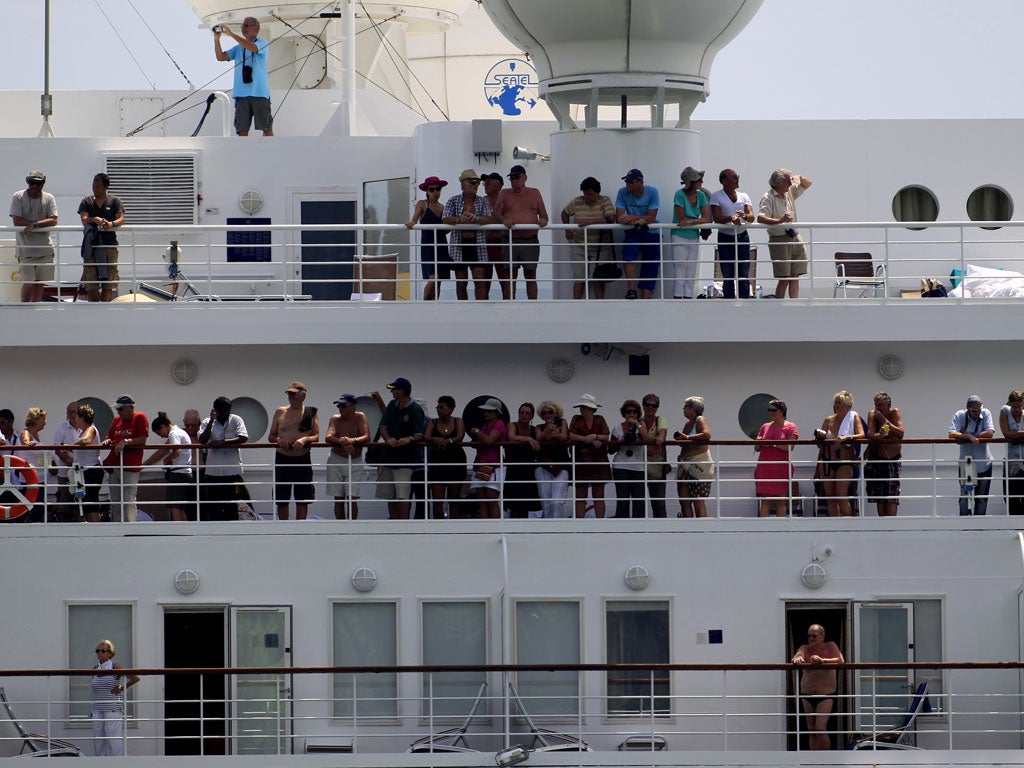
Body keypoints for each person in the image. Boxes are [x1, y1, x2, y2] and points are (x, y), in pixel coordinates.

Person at [493, 165, 549, 300]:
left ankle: (533, 305)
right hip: (510, 240)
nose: (513, 180)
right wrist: (504, 220)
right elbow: (496, 213)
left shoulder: (535, 193)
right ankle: (510, 305)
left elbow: (544, 216)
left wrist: (542, 220)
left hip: (530, 240)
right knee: (510, 275)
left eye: (516, 177)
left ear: (524, 178)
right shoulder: (504, 193)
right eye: (511, 178)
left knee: (530, 274)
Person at [757, 168, 812, 299]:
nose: (790, 184)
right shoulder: (768, 197)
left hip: (795, 236)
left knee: (795, 275)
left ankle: (795, 303)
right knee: (785, 277)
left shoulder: (789, 192)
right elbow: (760, 218)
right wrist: (780, 220)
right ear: (779, 183)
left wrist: (797, 177)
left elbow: (808, 183)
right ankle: (779, 305)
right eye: (788, 181)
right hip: (779, 239)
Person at [214, 17, 274, 136]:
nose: (243, 28)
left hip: (259, 93)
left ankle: (270, 153)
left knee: (266, 129)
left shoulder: (262, 43)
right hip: (241, 94)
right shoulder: (238, 48)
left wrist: (231, 34)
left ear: (256, 28)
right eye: (242, 26)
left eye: (246, 25)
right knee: (242, 130)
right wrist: (217, 40)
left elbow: (252, 47)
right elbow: (221, 57)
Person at [376, 377, 426, 519]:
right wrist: (388, 439)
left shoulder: (415, 408)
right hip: (388, 457)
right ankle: (394, 522)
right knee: (389, 494)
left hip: (404, 458)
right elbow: (383, 426)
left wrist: (408, 439)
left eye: (394, 389)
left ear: (402, 391)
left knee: (402, 494)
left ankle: (404, 523)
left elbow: (418, 434)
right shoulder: (392, 405)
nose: (392, 392)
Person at [268, 381, 319, 520]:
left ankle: (299, 528)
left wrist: (304, 440)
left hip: (302, 457)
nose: (291, 396)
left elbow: (316, 436)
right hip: (283, 458)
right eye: (289, 393)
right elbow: (271, 436)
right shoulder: (280, 411)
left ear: (303, 396)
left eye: (294, 394)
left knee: (303, 496)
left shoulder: (310, 412)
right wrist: (280, 440)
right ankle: (284, 528)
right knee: (281, 496)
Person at [442, 170, 494, 301]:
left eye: (477, 183)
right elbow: (445, 219)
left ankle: (481, 310)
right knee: (461, 281)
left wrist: (476, 219)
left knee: (479, 279)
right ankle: (463, 310)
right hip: (459, 245)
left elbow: (489, 219)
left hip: (477, 245)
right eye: (472, 182)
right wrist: (459, 220)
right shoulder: (453, 200)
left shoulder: (482, 202)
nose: (476, 185)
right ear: (463, 184)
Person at [561, 177, 616, 299]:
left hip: (601, 246)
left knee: (599, 278)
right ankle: (577, 306)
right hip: (579, 245)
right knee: (579, 278)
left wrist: (591, 221)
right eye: (585, 194)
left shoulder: (604, 201)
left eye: (589, 194)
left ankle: (599, 306)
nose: (586, 196)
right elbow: (564, 213)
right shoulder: (577, 201)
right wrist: (567, 230)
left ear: (597, 193)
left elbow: (611, 218)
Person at [791, 624, 844, 751]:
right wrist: (797, 658)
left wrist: (823, 660)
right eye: (809, 636)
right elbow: (797, 656)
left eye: (814, 635)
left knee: (820, 728)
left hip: (825, 695)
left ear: (822, 636)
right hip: (807, 694)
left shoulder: (830, 646)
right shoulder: (805, 648)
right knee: (811, 730)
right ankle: (813, 757)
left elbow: (840, 660)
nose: (811, 638)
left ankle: (825, 757)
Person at [198, 396, 250, 521]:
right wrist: (211, 421)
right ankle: (215, 532)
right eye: (222, 411)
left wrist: (222, 442)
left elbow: (243, 437)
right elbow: (202, 440)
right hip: (213, 471)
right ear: (215, 410)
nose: (226, 414)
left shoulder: (236, 420)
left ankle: (232, 531)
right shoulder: (206, 422)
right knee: (213, 503)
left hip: (232, 470)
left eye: (227, 411)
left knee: (232, 503)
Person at [9, 170, 58, 303]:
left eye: (38, 183)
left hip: (45, 249)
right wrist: (34, 224)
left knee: (40, 282)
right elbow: (16, 220)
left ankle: (34, 307)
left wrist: (33, 225)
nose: (35, 186)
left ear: (43, 183)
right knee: (28, 281)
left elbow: (54, 220)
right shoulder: (18, 196)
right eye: (32, 183)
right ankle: (25, 308)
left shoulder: (49, 198)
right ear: (27, 182)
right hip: (26, 250)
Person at [407, 176, 459, 300]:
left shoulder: (443, 207)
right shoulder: (422, 204)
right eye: (432, 189)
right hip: (428, 246)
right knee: (433, 278)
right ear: (427, 191)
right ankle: (425, 304)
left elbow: (445, 229)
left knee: (438, 280)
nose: (435, 192)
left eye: (438, 189)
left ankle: (435, 305)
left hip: (441, 245)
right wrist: (411, 223)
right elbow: (414, 219)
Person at [815, 391, 865, 517]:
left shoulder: (854, 417)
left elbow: (862, 435)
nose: (835, 405)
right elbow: (820, 445)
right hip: (827, 460)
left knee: (841, 496)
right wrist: (820, 437)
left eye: (839, 403)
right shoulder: (828, 420)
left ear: (848, 405)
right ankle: (835, 528)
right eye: (835, 402)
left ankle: (848, 527)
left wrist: (846, 437)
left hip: (844, 462)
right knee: (830, 498)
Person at [100, 394, 149, 522]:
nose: (118, 412)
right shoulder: (117, 420)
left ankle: (130, 528)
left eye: (121, 409)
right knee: (115, 501)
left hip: (130, 466)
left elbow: (143, 438)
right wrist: (107, 441)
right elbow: (109, 436)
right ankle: (117, 527)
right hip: (115, 465)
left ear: (130, 408)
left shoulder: (139, 417)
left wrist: (126, 441)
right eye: (117, 409)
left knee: (129, 500)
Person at [77, 173, 125, 302]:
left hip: (109, 245)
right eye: (93, 185)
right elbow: (84, 219)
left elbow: (121, 218)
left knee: (108, 282)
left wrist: (111, 224)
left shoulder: (115, 201)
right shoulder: (86, 201)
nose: (94, 188)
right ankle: (95, 309)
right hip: (91, 246)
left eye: (98, 186)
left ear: (105, 187)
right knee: (91, 282)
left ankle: (105, 310)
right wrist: (96, 220)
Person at [615, 169, 661, 299]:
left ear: (641, 182)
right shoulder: (622, 192)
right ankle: (631, 291)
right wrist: (639, 219)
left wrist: (630, 217)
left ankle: (645, 300)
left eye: (630, 181)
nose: (627, 184)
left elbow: (651, 218)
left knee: (651, 264)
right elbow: (619, 217)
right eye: (626, 181)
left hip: (651, 231)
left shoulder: (653, 191)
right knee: (629, 252)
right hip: (633, 230)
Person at [709, 168, 754, 299]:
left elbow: (751, 216)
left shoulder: (744, 196)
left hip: (742, 236)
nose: (737, 179)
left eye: (737, 176)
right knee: (727, 272)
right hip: (725, 237)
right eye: (734, 177)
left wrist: (744, 215)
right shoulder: (717, 195)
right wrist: (731, 218)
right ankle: (728, 301)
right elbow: (717, 217)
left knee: (744, 272)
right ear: (724, 181)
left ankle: (744, 301)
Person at [90, 639, 140, 757]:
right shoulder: (94, 669)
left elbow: (135, 678)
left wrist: (122, 688)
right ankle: (101, 764)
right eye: (98, 651)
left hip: (112, 708)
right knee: (98, 740)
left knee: (113, 739)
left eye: (103, 650)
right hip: (97, 709)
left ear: (110, 653)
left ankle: (116, 763)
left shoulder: (115, 666)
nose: (100, 653)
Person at [143, 413, 195, 521]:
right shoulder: (179, 432)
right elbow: (163, 450)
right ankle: (184, 530)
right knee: (180, 506)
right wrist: (144, 465)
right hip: (186, 473)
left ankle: (177, 530)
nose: (161, 436)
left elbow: (177, 451)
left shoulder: (173, 434)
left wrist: (167, 459)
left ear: (163, 426)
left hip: (178, 474)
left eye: (159, 433)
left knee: (174, 505)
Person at [325, 394, 369, 520]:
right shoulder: (335, 418)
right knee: (338, 498)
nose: (340, 408)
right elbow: (328, 437)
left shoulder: (360, 417)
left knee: (352, 497)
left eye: (343, 405)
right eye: (339, 406)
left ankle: (351, 527)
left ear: (353, 406)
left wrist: (352, 440)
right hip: (336, 459)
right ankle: (340, 527)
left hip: (354, 461)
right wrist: (344, 443)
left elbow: (366, 436)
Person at [949, 394, 994, 515]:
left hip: (984, 462)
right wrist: (969, 436)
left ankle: (979, 525)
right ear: (967, 408)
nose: (977, 413)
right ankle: (965, 524)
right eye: (974, 410)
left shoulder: (985, 413)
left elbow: (990, 432)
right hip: (967, 463)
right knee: (965, 495)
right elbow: (952, 433)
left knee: (982, 497)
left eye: (979, 410)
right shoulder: (960, 415)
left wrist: (974, 437)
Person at [423, 395, 467, 519]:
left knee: (454, 499)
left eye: (442, 407)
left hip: (455, 462)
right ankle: (439, 527)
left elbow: (460, 436)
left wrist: (449, 441)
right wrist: (434, 439)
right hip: (438, 462)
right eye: (438, 407)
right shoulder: (433, 422)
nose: (438, 410)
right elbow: (426, 436)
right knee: (437, 498)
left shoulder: (458, 421)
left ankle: (453, 528)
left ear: (451, 409)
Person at [670, 167, 711, 300]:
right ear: (691, 181)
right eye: (699, 179)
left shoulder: (701, 195)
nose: (702, 182)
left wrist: (691, 222)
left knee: (691, 269)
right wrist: (697, 221)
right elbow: (681, 219)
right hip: (679, 235)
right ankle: (678, 298)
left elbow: (706, 218)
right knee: (680, 268)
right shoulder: (679, 194)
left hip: (693, 235)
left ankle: (688, 298)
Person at [568, 393, 611, 517]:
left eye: (584, 407)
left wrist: (595, 436)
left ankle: (599, 523)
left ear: (591, 408)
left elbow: (606, 435)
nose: (582, 409)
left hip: (598, 460)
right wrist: (586, 439)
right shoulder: (576, 419)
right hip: (581, 460)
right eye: (581, 407)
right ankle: (580, 524)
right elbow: (571, 435)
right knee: (581, 494)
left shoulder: (600, 419)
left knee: (598, 494)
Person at [754, 399, 798, 516]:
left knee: (780, 501)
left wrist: (771, 443)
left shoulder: (790, 426)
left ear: (782, 411)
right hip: (765, 467)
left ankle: (782, 531)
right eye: (769, 410)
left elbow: (790, 447)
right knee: (765, 500)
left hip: (781, 467)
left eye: (773, 410)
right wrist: (758, 442)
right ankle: (764, 530)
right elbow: (757, 448)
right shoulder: (764, 426)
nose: (771, 412)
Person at [865, 392, 905, 517]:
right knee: (880, 497)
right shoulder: (872, 414)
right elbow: (871, 435)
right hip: (877, 459)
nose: (878, 408)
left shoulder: (895, 412)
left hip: (892, 460)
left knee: (892, 496)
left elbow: (900, 433)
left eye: (881, 405)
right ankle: (882, 527)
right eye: (876, 405)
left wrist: (884, 420)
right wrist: (880, 435)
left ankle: (891, 527)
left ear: (889, 404)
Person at [609, 399, 649, 518]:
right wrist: (621, 441)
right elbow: (610, 450)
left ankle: (639, 527)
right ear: (624, 413)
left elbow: (647, 439)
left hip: (638, 468)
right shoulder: (617, 428)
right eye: (628, 411)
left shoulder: (642, 426)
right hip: (621, 466)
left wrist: (637, 424)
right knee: (623, 499)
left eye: (634, 411)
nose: (631, 414)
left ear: (638, 413)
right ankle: (622, 525)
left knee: (639, 500)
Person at [674, 396, 714, 517]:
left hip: (700, 465)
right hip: (685, 465)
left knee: (698, 500)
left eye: (685, 406)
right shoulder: (687, 424)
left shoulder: (700, 420)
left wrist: (686, 437)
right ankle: (689, 528)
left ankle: (702, 529)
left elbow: (707, 434)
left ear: (693, 408)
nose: (683, 409)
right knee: (684, 500)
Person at [468, 398, 506, 519]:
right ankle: (485, 528)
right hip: (480, 463)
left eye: (489, 411)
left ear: (496, 413)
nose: (486, 413)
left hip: (493, 465)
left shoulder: (499, 424)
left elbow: (489, 440)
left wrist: (477, 431)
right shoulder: (486, 424)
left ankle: (494, 529)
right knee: (482, 501)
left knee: (492, 500)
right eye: (485, 410)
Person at [534, 400, 570, 518]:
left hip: (561, 465)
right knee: (545, 501)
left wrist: (550, 435)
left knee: (557, 501)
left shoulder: (562, 422)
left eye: (550, 412)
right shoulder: (538, 427)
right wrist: (548, 432)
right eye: (544, 413)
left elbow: (564, 436)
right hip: (544, 465)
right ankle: (547, 529)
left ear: (555, 413)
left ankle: (557, 527)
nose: (547, 415)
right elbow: (539, 438)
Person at [504, 402, 540, 518]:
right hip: (514, 470)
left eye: (527, 413)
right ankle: (513, 531)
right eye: (521, 412)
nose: (524, 415)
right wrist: (529, 439)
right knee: (515, 503)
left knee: (527, 504)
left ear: (532, 416)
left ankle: (523, 530)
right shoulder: (512, 425)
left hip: (529, 471)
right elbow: (511, 436)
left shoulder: (535, 429)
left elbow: (541, 437)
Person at [17, 407, 52, 522]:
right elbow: (25, 441)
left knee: (39, 508)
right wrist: (29, 443)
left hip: (40, 479)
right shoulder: (26, 433)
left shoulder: (36, 435)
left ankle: (32, 527)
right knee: (32, 508)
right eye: (43, 420)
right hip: (29, 479)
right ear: (36, 419)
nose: (45, 423)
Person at [71, 405, 104, 523]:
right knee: (84, 504)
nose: (75, 420)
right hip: (83, 472)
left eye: (77, 417)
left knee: (91, 504)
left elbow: (86, 440)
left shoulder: (90, 429)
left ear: (82, 418)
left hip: (90, 471)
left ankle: (95, 531)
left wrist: (70, 446)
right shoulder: (83, 431)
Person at [640, 394, 669, 518]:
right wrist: (655, 439)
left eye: (654, 405)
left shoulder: (660, 420)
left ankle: (661, 530)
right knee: (639, 501)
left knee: (659, 502)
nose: (650, 407)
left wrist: (661, 437)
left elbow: (663, 431)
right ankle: (639, 530)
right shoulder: (639, 421)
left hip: (657, 466)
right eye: (647, 404)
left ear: (657, 407)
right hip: (640, 465)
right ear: (643, 406)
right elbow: (645, 438)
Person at [53, 401, 82, 522]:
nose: (73, 414)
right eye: (70, 412)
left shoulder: (87, 426)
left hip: (82, 472)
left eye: (75, 412)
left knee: (80, 504)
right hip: (65, 473)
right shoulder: (62, 427)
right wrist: (70, 461)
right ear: (67, 414)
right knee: (64, 505)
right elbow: (57, 449)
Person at [481, 172, 506, 299]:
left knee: (506, 278)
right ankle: (483, 309)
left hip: (503, 244)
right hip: (485, 245)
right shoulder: (481, 201)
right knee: (484, 279)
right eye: (485, 182)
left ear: (499, 184)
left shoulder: (506, 201)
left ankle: (509, 306)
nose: (486, 184)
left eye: (489, 181)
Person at [1000, 390, 1024, 516]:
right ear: (1010, 404)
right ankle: (1014, 521)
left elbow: (1011, 434)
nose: (1017, 409)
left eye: (1020, 406)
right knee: (1010, 493)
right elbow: (1006, 433)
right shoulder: (1005, 411)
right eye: (1014, 406)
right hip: (1012, 460)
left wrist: (1015, 435)